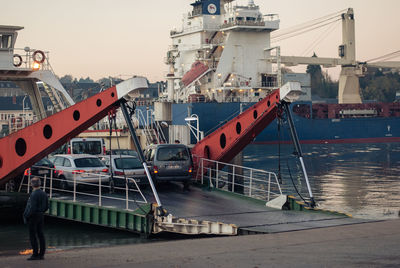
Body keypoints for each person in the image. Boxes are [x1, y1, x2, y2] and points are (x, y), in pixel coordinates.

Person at [23, 177, 49, 261]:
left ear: (32, 184)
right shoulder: (44, 193)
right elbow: (46, 206)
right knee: (41, 234)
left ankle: (35, 254)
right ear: (39, 183)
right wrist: (41, 212)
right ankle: (41, 254)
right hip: (41, 215)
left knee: (32, 236)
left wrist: (26, 216)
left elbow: (32, 208)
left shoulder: (33, 194)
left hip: (33, 217)